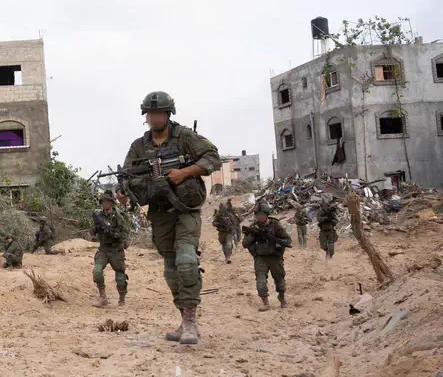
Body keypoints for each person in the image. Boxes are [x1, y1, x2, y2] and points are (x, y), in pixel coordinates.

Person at [117, 91, 221, 345]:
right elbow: (127, 178)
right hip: (160, 214)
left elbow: (212, 158)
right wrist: (123, 194)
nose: (154, 118)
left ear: (168, 114)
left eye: (159, 113)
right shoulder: (139, 147)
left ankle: (190, 323)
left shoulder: (184, 137)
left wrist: (185, 172)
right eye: (150, 114)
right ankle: (184, 318)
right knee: (171, 271)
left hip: (186, 210)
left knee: (187, 261)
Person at [241, 204, 292, 312]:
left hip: (274, 257)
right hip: (260, 258)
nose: (260, 217)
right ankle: (266, 303)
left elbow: (287, 240)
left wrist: (277, 243)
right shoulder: (254, 227)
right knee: (260, 282)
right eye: (258, 215)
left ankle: (282, 298)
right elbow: (245, 244)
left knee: (280, 280)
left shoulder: (275, 225)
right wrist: (253, 235)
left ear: (267, 215)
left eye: (262, 215)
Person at [89, 191, 130, 308]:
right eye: (103, 202)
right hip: (103, 250)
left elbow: (125, 233)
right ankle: (103, 297)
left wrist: (113, 233)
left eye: (107, 202)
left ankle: (122, 298)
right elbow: (92, 234)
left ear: (111, 203)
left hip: (116, 250)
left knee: (120, 278)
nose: (105, 204)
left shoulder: (118, 216)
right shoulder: (99, 216)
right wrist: (96, 227)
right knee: (97, 272)